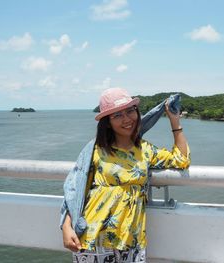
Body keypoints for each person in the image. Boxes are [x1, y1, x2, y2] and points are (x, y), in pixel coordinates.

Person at [61, 88, 190, 262]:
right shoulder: (96, 150)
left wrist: (175, 121)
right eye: (117, 115)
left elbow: (181, 159)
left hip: (132, 239)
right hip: (94, 238)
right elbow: (76, 190)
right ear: (107, 122)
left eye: (130, 111)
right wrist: (66, 227)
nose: (127, 119)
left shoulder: (145, 150)